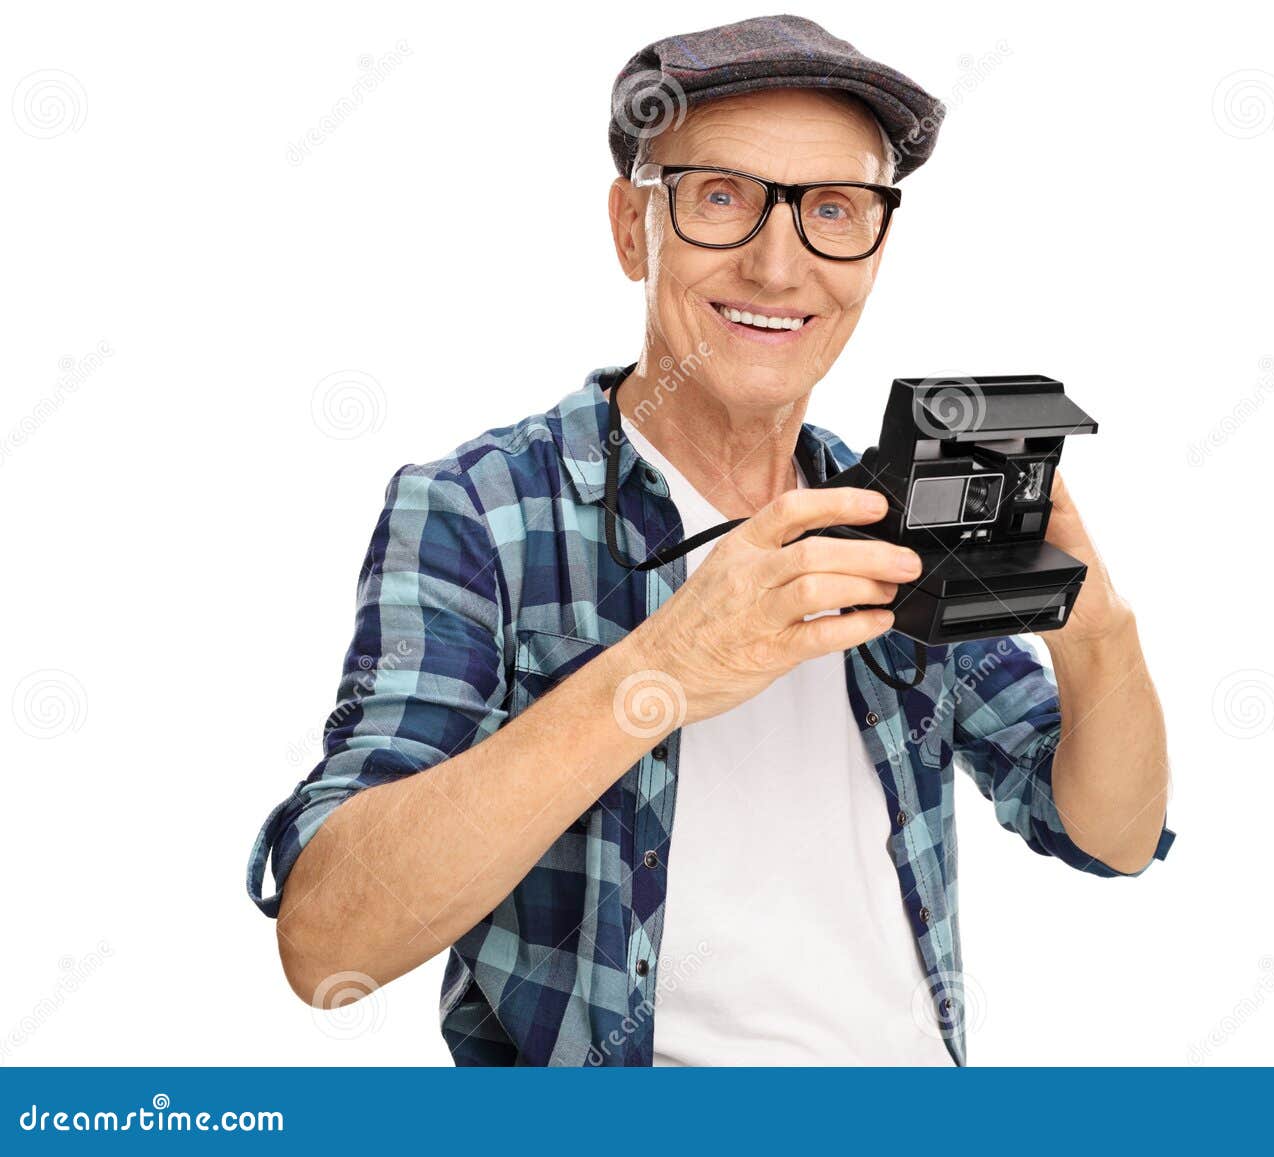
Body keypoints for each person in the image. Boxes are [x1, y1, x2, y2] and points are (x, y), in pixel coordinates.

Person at [246, 13, 1174, 1066]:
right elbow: (327, 946)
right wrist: (667, 667)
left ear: (874, 248)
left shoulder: (890, 507)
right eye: (722, 197)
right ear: (632, 226)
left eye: (833, 209)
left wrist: (1099, 638)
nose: (780, 267)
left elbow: (1112, 833)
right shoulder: (480, 510)